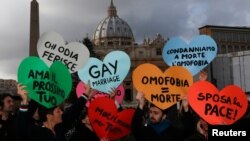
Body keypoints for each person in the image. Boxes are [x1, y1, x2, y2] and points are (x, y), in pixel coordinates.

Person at [16, 82, 91, 141]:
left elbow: (73, 110)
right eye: (58, 111)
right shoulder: (35, 131)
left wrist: (86, 93)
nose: (62, 112)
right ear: (49, 116)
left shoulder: (60, 127)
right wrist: (25, 100)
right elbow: (21, 126)